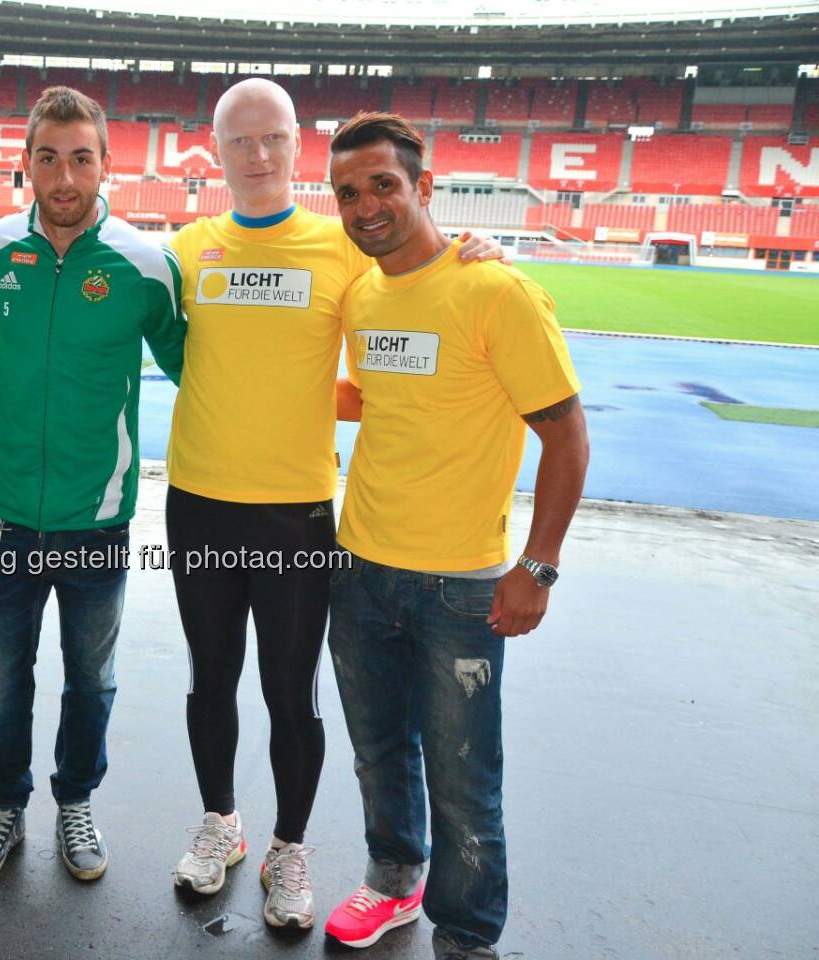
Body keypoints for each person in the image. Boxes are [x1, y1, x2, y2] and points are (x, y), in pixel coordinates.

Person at [165, 78, 503, 931]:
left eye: (273, 136)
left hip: (297, 512)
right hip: (199, 501)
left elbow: (412, 294)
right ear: (214, 147)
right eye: (238, 139)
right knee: (211, 680)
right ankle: (221, 825)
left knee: (291, 691)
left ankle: (288, 848)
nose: (257, 153)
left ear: (295, 146)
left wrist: (478, 247)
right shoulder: (184, 248)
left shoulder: (343, 247)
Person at [322, 112, 589, 960]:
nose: (365, 205)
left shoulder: (494, 289)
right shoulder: (364, 294)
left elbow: (567, 434)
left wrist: (536, 568)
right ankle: (395, 884)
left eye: (383, 185)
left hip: (462, 587)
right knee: (378, 754)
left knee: (466, 779)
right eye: (348, 192)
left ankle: (467, 936)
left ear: (424, 186)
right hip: (360, 567)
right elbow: (377, 399)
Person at [0, 86, 186, 887]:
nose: (63, 176)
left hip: (97, 523)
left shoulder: (147, 265)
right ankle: (2, 808)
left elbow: (204, 368)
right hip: (5, 518)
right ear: (25, 165)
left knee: (91, 680)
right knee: (2, 682)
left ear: (106, 164)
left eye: (80, 158)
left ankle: (75, 800)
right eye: (47, 158)